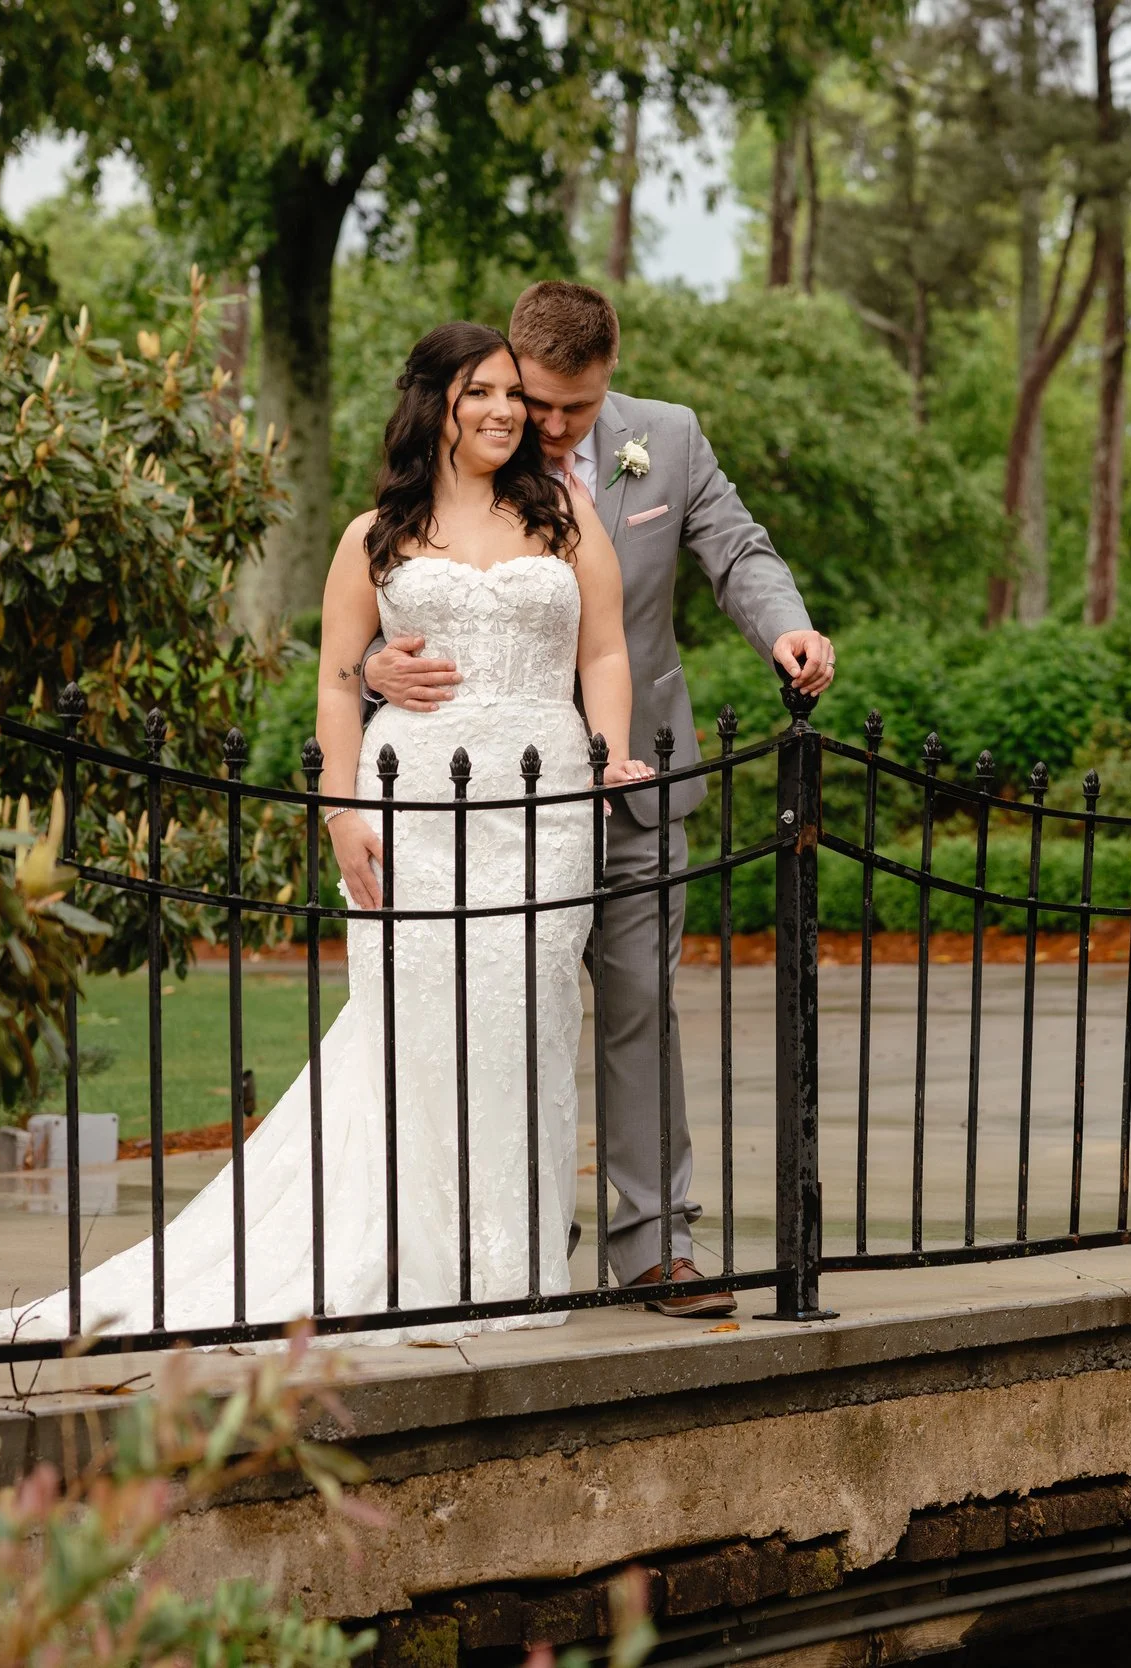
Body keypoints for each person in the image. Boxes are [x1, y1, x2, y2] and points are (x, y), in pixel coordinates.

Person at [0, 322, 654, 1344]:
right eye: (480, 392)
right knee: (416, 1024)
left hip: (543, 812)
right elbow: (337, 683)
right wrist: (343, 813)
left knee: (523, 1023)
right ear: (436, 402)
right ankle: (406, 1256)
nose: (502, 412)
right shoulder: (374, 537)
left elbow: (605, 652)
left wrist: (608, 753)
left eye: (512, 397)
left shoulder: (564, 514)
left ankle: (510, 1263)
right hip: (419, 805)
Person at [363, 282, 833, 1316]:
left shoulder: (668, 442)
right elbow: (393, 578)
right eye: (538, 403)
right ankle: (513, 1236)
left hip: (631, 784)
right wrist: (371, 667)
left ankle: (655, 1245)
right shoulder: (468, 433)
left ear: (611, 367)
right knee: (498, 1009)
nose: (552, 427)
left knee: (635, 1009)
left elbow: (738, 552)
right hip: (482, 796)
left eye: (576, 406)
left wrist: (786, 628)